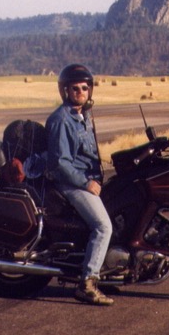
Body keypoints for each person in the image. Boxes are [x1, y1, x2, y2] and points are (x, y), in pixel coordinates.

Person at [45, 64, 114, 306]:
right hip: (71, 184)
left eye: (85, 88)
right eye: (75, 88)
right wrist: (86, 184)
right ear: (65, 91)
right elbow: (61, 164)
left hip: (87, 179)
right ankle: (87, 283)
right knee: (103, 226)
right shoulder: (61, 120)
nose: (81, 92)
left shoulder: (81, 115)